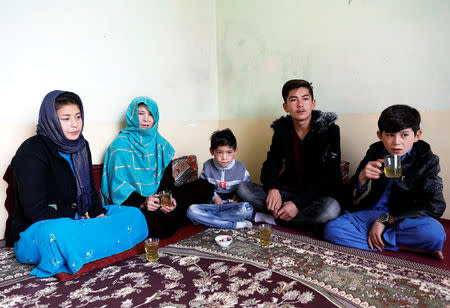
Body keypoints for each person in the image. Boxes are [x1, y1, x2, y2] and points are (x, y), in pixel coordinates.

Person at [11, 90, 147, 278]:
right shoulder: (31, 151)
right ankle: (97, 240)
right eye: (66, 118)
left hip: (82, 218)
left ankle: (88, 241)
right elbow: (34, 209)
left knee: (134, 214)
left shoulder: (81, 146)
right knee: (59, 233)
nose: (75, 124)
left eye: (78, 117)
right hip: (38, 228)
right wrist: (76, 216)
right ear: (50, 119)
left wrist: (98, 214)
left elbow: (90, 190)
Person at [324, 105, 446, 260]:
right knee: (332, 229)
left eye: (404, 135)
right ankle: (402, 246)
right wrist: (361, 178)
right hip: (371, 213)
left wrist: (385, 220)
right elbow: (348, 195)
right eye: (389, 135)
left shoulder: (427, 159)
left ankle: (378, 237)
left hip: (403, 217)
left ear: (417, 135)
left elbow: (436, 206)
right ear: (380, 135)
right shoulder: (375, 151)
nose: (396, 143)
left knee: (435, 233)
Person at [237, 79, 341, 235]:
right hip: (288, 191)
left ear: (313, 103)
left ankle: (271, 218)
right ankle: (296, 220)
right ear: (286, 107)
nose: (300, 104)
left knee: (330, 210)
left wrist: (297, 204)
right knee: (242, 188)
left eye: (305, 99)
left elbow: (328, 176)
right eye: (294, 99)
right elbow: (271, 164)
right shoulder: (282, 131)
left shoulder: (330, 130)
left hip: (316, 196)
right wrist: (273, 188)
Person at [101, 96, 213, 238]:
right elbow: (117, 188)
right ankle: (191, 214)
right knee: (161, 226)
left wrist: (166, 201)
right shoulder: (119, 146)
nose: (146, 119)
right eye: (141, 113)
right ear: (132, 116)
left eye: (151, 114)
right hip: (136, 206)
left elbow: (166, 182)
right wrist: (143, 202)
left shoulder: (160, 144)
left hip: (158, 200)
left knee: (205, 187)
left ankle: (186, 213)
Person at [187, 129, 253, 229]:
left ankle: (210, 220)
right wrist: (214, 197)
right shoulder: (208, 166)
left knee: (247, 209)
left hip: (232, 207)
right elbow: (202, 187)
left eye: (229, 152)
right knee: (191, 210)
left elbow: (248, 187)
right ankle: (235, 224)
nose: (224, 157)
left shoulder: (241, 168)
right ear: (211, 151)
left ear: (235, 151)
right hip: (212, 206)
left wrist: (239, 197)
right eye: (219, 152)